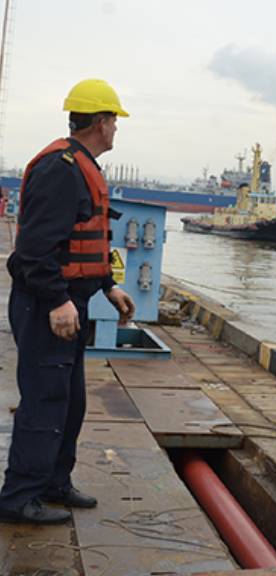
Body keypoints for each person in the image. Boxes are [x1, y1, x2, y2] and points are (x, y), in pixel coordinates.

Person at [0, 79, 136, 524]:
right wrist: (58, 300)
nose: (117, 128)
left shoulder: (81, 166)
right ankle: (19, 497)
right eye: (114, 120)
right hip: (46, 307)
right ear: (100, 122)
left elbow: (79, 245)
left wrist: (108, 285)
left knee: (69, 400)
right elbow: (36, 250)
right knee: (44, 400)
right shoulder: (61, 168)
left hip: (68, 304)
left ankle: (53, 482)